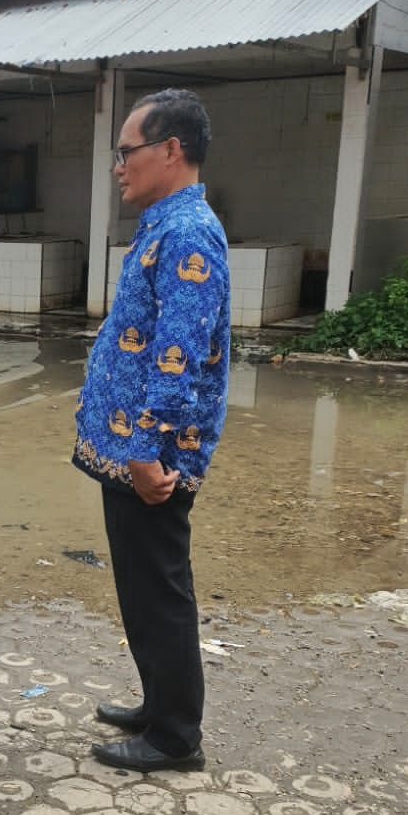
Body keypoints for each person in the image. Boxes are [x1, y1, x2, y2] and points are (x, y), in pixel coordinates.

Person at [72, 88, 230, 773]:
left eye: (127, 151)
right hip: (133, 448)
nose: (118, 166)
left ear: (171, 150)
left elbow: (179, 357)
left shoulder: (189, 232)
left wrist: (144, 452)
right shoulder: (166, 223)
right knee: (140, 586)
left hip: (153, 460)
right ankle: (158, 702)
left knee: (159, 589)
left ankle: (175, 737)